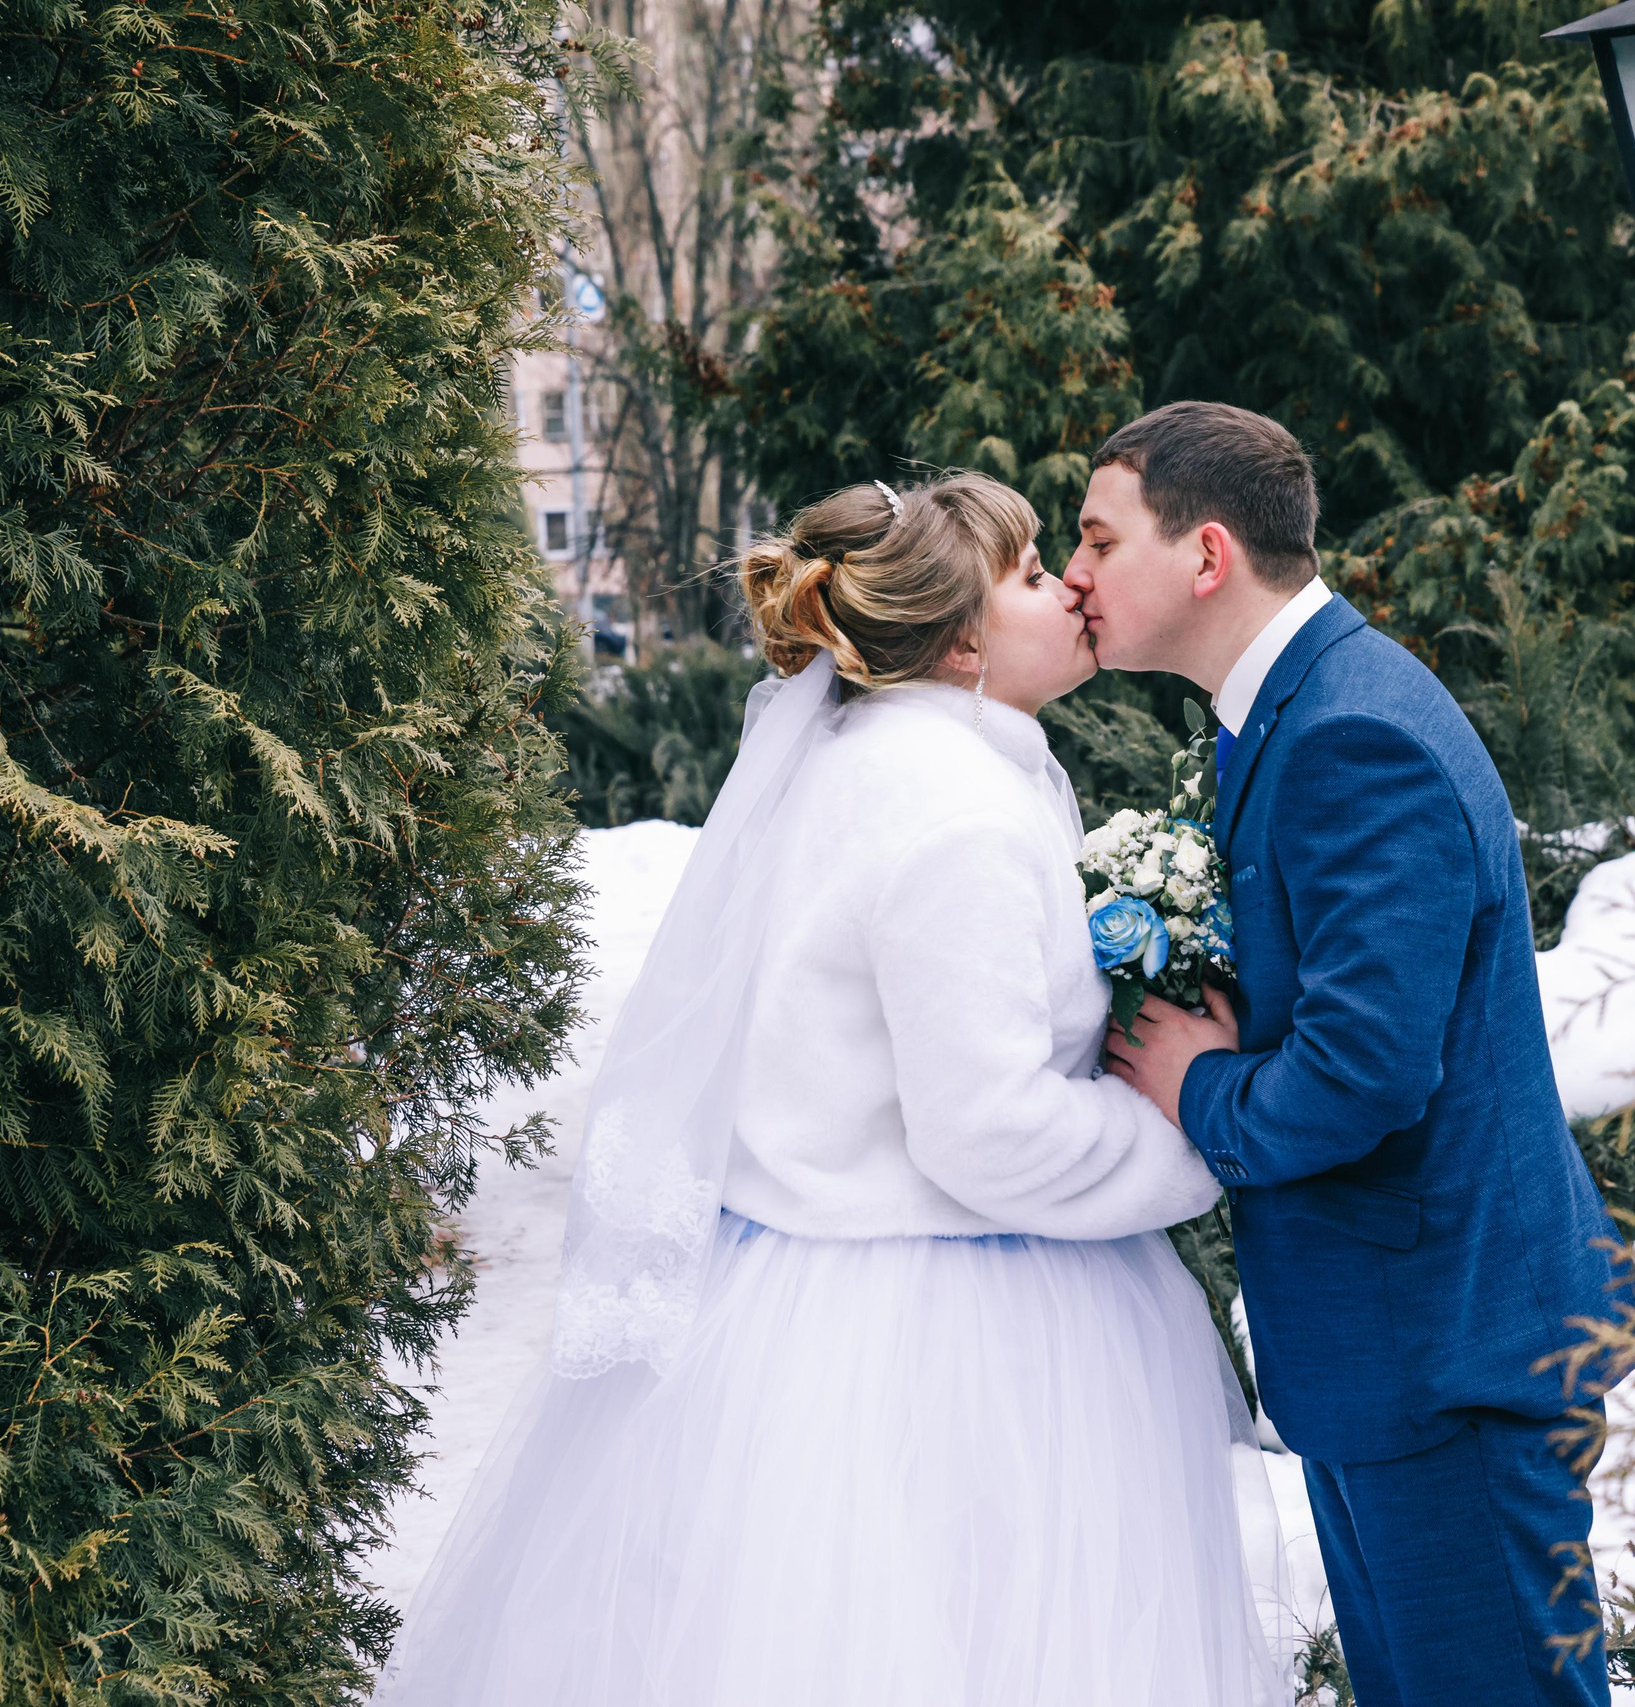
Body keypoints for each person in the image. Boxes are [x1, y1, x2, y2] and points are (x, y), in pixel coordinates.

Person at [375, 472, 1287, 1707]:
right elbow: (991, 1134)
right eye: (1029, 574)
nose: (1067, 584)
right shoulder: (951, 812)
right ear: (962, 642)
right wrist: (1188, 1130)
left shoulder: (884, 760)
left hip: (807, 1289)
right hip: (945, 1336)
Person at [1067, 402, 1635, 1707]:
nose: (1078, 572)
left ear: (1205, 555)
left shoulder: (1349, 734)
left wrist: (1191, 1079)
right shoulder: (1287, 710)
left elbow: (1366, 1074)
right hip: (1396, 1353)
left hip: (1451, 1364)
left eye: (1101, 537)